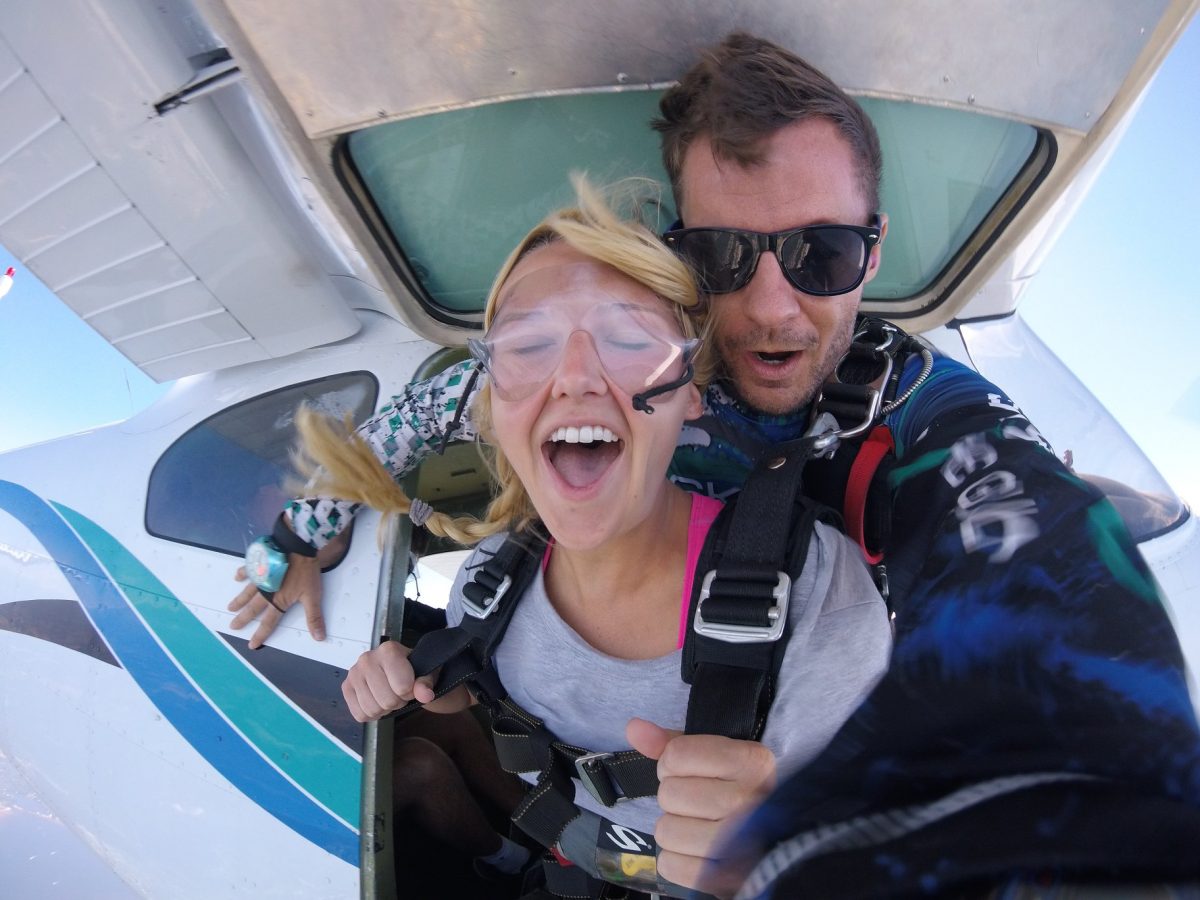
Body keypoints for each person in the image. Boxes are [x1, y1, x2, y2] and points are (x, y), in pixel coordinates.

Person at [230, 32, 1200, 897]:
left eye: (821, 252)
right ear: (682, 252)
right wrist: (295, 538)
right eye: (729, 255)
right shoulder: (620, 368)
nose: (775, 305)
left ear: (874, 251)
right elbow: (411, 419)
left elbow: (1086, 703)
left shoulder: (926, 419)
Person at [302, 181, 891, 897]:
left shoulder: (814, 595)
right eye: (529, 344)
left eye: (630, 342)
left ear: (689, 396)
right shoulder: (487, 585)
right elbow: (476, 704)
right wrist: (406, 679)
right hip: (571, 863)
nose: (576, 377)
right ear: (493, 398)